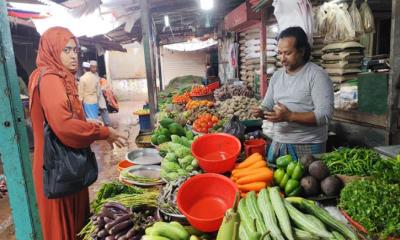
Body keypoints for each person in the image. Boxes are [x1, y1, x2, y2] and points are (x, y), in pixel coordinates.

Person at [28, 27, 127, 239]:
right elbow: (64, 126)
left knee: (73, 224)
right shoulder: (51, 78)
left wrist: (83, 121)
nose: (73, 55)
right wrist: (103, 131)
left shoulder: (46, 75)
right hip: (59, 165)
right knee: (65, 228)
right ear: (53, 50)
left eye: (75, 50)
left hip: (59, 162)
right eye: (66, 50)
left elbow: (57, 118)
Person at [252, 26, 334, 162]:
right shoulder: (277, 76)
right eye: (279, 53)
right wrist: (262, 112)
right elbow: (267, 105)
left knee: (306, 183)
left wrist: (290, 116)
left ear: (302, 51)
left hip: (308, 146)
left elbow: (325, 115)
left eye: (287, 53)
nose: (282, 58)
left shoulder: (317, 75)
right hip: (279, 143)